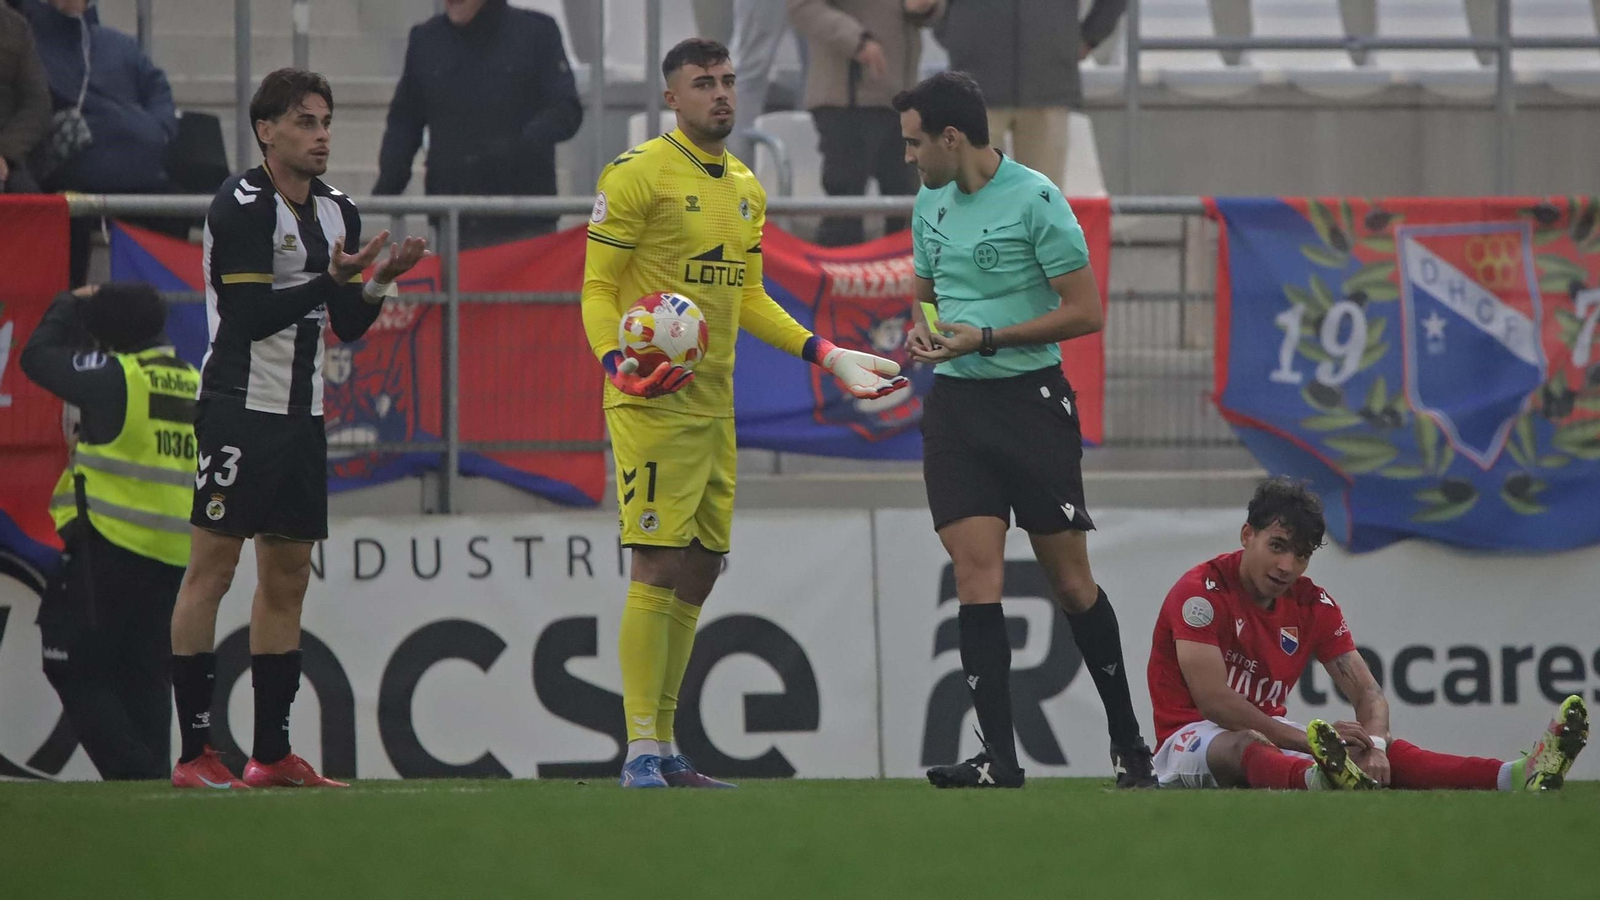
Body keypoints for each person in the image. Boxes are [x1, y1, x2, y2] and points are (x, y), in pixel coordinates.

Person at [581, 37, 908, 789]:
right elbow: (598, 287)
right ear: (672, 98)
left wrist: (828, 355)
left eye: (728, 81)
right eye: (703, 83)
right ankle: (636, 750)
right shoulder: (636, 176)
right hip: (650, 401)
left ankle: (664, 746)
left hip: (715, 406)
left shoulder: (746, 187)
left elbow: (750, 297)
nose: (721, 94)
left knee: (702, 567)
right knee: (657, 560)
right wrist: (615, 364)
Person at [166, 68, 428, 790]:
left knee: (287, 576)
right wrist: (333, 280)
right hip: (236, 407)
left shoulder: (338, 209)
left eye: (326, 122)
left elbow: (343, 323)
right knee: (212, 571)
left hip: (302, 414)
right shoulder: (240, 205)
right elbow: (249, 318)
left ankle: (269, 754)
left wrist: (376, 281)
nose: (322, 136)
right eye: (307, 123)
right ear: (267, 131)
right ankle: (194, 753)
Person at [899, 71, 1154, 789]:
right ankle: (1001, 761)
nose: (909, 158)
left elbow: (1086, 312)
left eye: (915, 143)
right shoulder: (929, 200)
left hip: (1032, 403)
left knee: (1071, 584)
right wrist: (929, 340)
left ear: (952, 138)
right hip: (955, 408)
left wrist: (986, 337)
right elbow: (925, 295)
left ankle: (1130, 744)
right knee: (975, 577)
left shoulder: (1039, 199)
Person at [1147, 477, 1590, 791]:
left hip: (1268, 735)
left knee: (1372, 746)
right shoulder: (1200, 593)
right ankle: (1320, 778)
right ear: (1248, 535)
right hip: (1190, 737)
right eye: (1277, 546)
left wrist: (1374, 746)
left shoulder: (1311, 606)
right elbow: (1214, 701)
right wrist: (1306, 743)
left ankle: (1517, 775)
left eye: (1300, 555)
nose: (1287, 566)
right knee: (1250, 742)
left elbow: (1369, 694)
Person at [18, 283, 196, 780]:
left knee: (69, 662)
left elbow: (36, 359)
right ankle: (154, 787)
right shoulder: (193, 380)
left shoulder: (120, 378)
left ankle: (138, 776)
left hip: (111, 548)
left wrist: (70, 303)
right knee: (144, 676)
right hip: (174, 555)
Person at [374, 0, 582, 249]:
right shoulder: (427, 40)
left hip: (524, 219)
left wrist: (520, 147)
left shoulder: (536, 33)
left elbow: (565, 110)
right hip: (453, 221)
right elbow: (405, 121)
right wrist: (387, 187)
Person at [22, 0, 178, 284]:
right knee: (69, 217)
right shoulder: (31, 44)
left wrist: (159, 130)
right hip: (76, 176)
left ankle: (166, 313)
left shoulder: (119, 44)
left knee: (177, 210)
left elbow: (158, 91)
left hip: (141, 170)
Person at [787, 0, 940, 247]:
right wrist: (857, 40)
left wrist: (925, 8)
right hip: (847, 99)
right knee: (846, 206)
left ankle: (903, 281)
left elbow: (929, 17)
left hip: (900, 98)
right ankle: (834, 281)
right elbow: (802, 7)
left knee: (906, 206)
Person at [932, 0, 1124, 186]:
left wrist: (1089, 37)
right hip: (976, 87)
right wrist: (952, 32)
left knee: (1041, 204)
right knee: (974, 203)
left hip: (1048, 85)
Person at [0, 0, 49, 192]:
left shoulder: (16, 29)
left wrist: (4, 151)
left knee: (33, 208)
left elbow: (38, 105)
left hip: (8, 158)